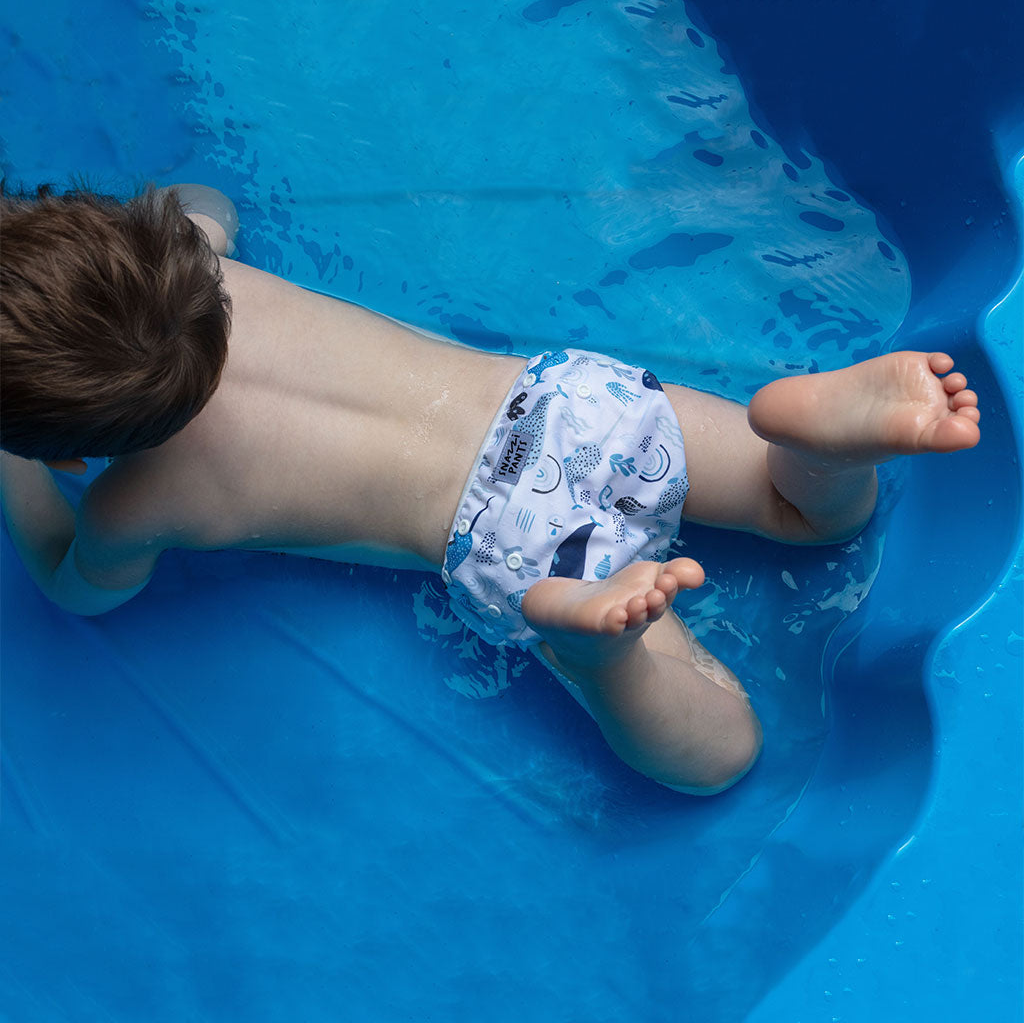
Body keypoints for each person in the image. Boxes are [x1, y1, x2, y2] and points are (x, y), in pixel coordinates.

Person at [0, 184, 982, 795]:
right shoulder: (197, 254)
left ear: (77, 452)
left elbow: (73, 582)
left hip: (514, 536)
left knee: (720, 753)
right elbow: (203, 197)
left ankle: (602, 654)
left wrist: (19, 462)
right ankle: (814, 442)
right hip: (561, 402)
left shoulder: (133, 503)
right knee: (797, 512)